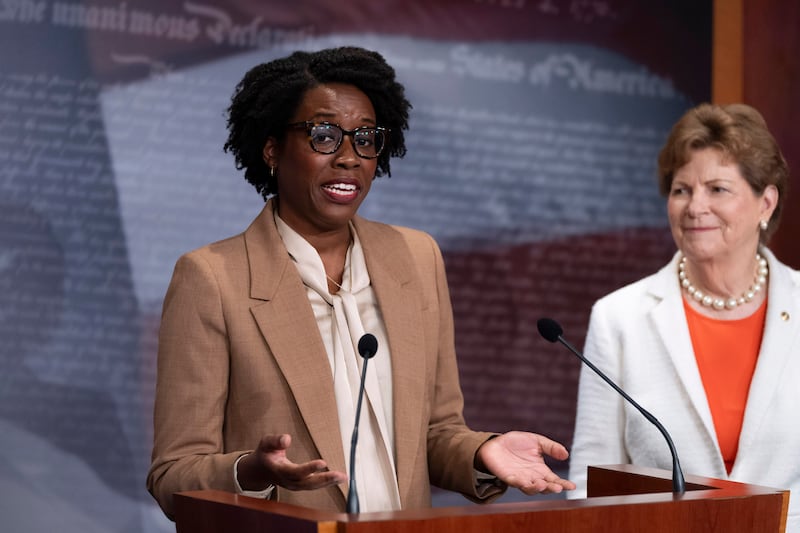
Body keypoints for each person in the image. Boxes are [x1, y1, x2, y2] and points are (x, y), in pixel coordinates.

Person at [146, 46, 574, 520]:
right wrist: (253, 471)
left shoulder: (416, 258)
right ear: (272, 148)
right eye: (325, 136)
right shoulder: (212, 278)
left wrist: (481, 452)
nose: (350, 157)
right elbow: (174, 474)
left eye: (366, 139)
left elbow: (432, 433)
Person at [568, 103, 800, 531]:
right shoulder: (619, 318)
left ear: (766, 202)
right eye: (681, 190)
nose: (695, 207)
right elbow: (589, 484)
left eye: (717, 189)